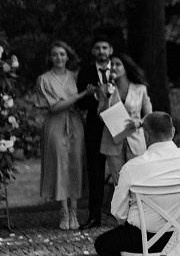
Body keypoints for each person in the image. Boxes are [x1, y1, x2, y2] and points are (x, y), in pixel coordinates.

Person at [93, 112, 180, 256]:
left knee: (103, 244)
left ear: (145, 134)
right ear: (173, 131)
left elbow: (118, 213)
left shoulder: (132, 168)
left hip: (143, 239)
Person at [36, 40, 90, 230]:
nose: (58, 57)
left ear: (68, 57)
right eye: (54, 54)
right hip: (55, 124)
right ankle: (64, 211)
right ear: (50, 58)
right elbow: (54, 107)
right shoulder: (44, 79)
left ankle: (74, 211)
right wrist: (79, 96)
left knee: (75, 164)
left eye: (62, 54)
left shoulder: (75, 77)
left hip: (75, 123)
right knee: (59, 164)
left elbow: (85, 102)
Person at [75, 31, 114, 229]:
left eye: (104, 47)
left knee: (122, 171)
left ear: (110, 50)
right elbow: (80, 104)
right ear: (93, 51)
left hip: (117, 126)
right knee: (95, 172)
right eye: (98, 48)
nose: (101, 51)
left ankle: (125, 215)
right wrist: (95, 96)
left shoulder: (119, 69)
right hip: (95, 128)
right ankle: (94, 216)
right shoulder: (85, 73)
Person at [96, 52, 152, 186]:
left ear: (125, 67)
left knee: (137, 179)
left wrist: (138, 123)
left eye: (118, 64)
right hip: (112, 139)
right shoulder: (105, 89)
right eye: (112, 65)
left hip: (135, 138)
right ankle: (122, 201)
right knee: (119, 181)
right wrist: (107, 96)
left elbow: (149, 115)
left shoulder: (140, 89)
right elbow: (101, 115)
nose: (114, 67)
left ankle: (137, 201)